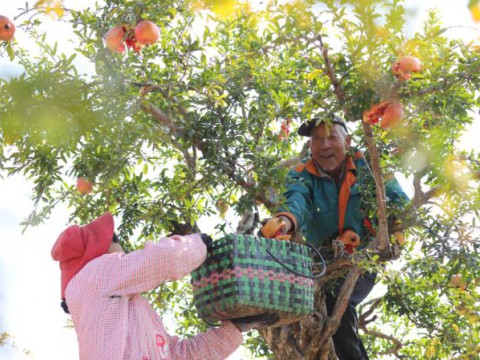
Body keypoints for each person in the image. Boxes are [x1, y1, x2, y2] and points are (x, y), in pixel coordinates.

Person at [260, 115, 408, 360]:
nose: (324, 145)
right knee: (316, 310)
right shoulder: (300, 174)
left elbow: (400, 202)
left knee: (337, 299)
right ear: (310, 147)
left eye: (331, 137)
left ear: (347, 141)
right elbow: (297, 202)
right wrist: (284, 222)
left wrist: (396, 234)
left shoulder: (370, 164)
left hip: (362, 258)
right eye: (317, 139)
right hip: (321, 262)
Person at [51, 212, 274, 360]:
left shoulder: (120, 308)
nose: (125, 252)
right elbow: (162, 258)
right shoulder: (96, 273)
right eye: (118, 242)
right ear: (101, 247)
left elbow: (179, 355)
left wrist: (234, 330)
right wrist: (198, 243)